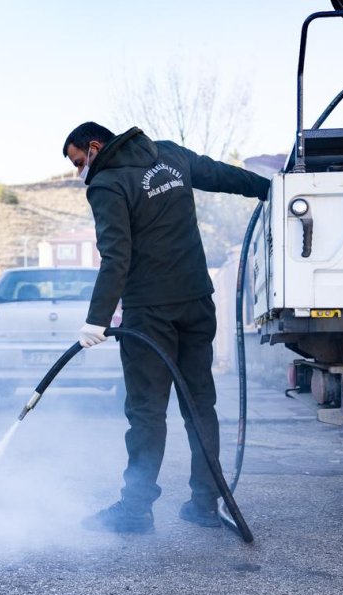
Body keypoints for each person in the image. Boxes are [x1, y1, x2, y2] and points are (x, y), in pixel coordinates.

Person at [64, 122, 269, 534]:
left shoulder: (107, 184)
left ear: (95, 146)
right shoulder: (170, 155)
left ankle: (135, 510)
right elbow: (221, 174)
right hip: (196, 303)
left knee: (146, 413)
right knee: (199, 407)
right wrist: (269, 189)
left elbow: (115, 255)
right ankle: (206, 504)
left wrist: (96, 320)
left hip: (150, 314)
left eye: (79, 161)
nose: (79, 172)